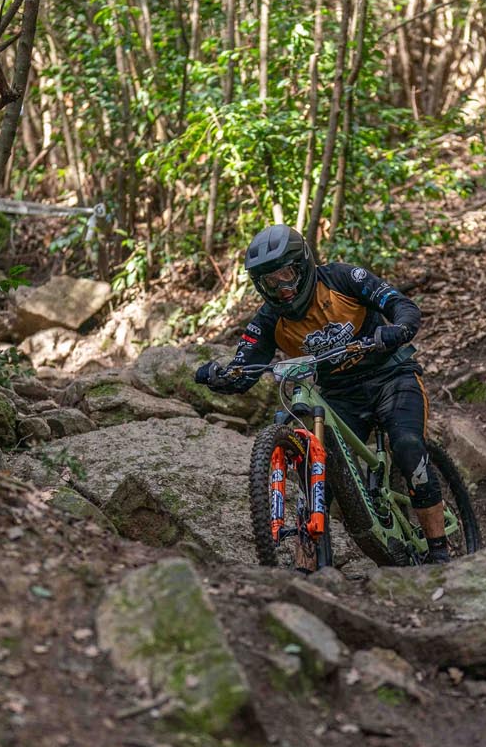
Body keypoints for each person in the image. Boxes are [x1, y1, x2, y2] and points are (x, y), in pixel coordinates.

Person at [193, 225, 452, 564]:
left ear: (302, 266)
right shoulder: (268, 320)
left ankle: (439, 551)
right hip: (339, 394)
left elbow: (399, 303)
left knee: (407, 446)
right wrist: (222, 376)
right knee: (316, 475)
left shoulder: (343, 278)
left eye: (286, 276)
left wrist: (397, 329)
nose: (282, 289)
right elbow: (245, 369)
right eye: (270, 283)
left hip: (391, 375)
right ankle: (308, 565)